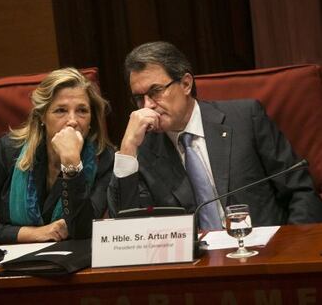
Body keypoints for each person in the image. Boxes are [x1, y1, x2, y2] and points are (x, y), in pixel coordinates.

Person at [108, 41, 322, 228]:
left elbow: (300, 191)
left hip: (265, 258)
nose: (147, 105)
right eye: (139, 98)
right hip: (193, 268)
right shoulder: (143, 149)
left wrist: (291, 253)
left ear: (185, 84)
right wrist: (127, 149)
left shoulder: (246, 119)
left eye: (155, 91)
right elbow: (126, 226)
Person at [0, 67, 114, 243]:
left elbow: (82, 231)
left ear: (91, 119)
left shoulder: (104, 158)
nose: (72, 121)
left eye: (82, 111)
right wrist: (37, 233)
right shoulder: (9, 149)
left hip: (73, 264)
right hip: (13, 263)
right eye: (60, 110)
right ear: (42, 116)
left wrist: (72, 165)